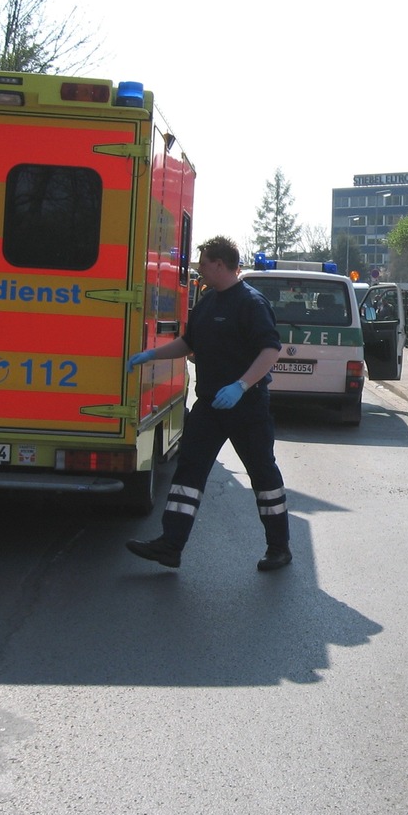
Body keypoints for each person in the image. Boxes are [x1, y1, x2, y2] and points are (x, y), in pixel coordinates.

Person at [125, 236, 291, 571]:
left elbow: (270, 351)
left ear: (219, 264)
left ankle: (279, 548)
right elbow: (188, 344)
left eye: (203, 263)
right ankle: (170, 546)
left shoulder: (251, 303)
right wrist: (151, 355)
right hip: (210, 406)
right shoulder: (207, 301)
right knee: (190, 471)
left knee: (262, 475)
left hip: (246, 407)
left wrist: (242, 386)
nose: (198, 269)